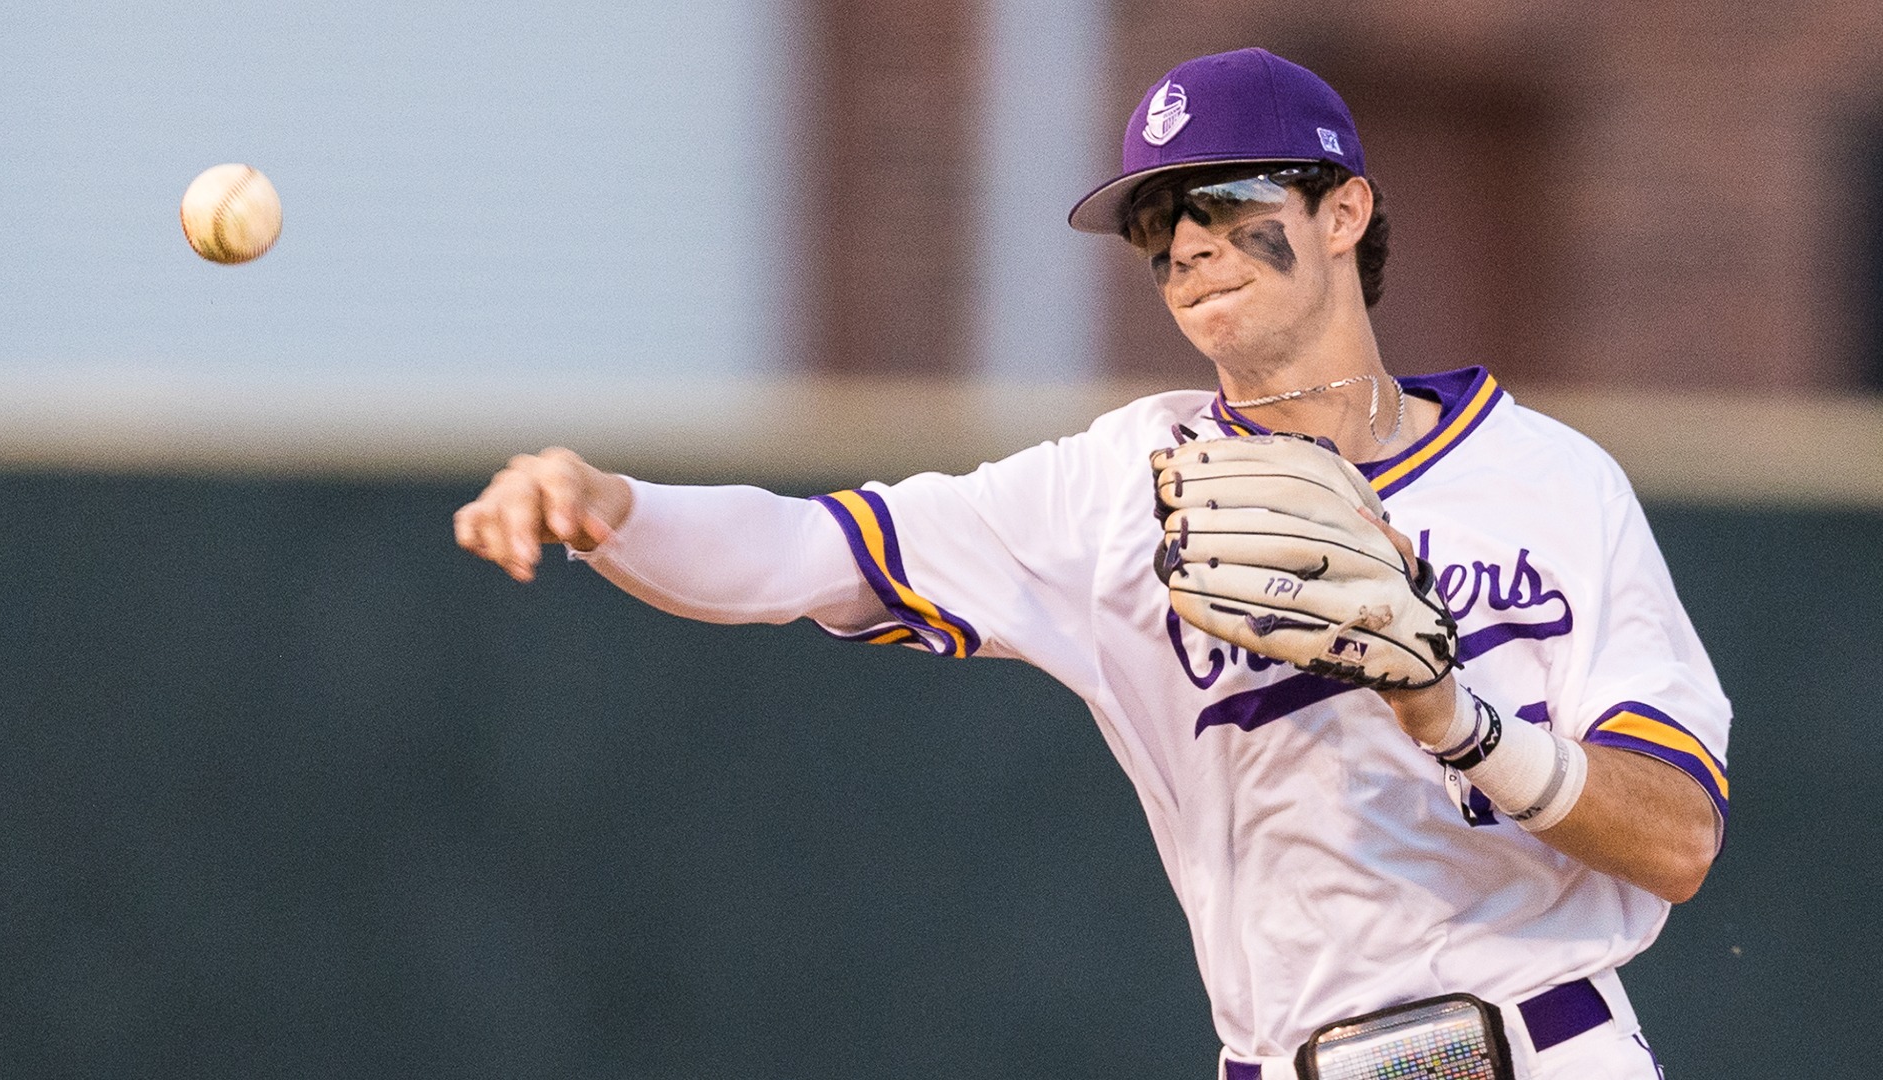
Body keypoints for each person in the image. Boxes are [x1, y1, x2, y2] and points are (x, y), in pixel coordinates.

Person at [454, 47, 1729, 1080]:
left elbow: (1678, 839)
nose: (1186, 242)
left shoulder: (1552, 478)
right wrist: (615, 506)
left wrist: (1455, 718)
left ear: (1344, 210)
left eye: (1226, 200)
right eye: (1159, 220)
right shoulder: (1119, 486)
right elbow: (809, 550)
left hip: (1551, 1048)